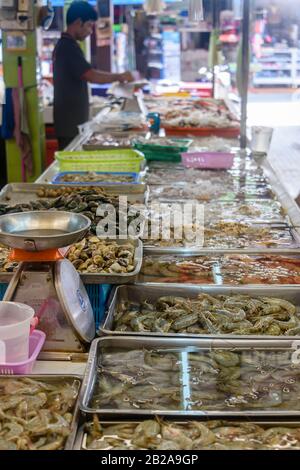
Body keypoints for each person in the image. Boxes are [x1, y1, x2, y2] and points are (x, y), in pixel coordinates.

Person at [53, 1, 134, 150]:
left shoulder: (68, 45)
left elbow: (88, 72)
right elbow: (91, 75)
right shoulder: (67, 47)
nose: (91, 31)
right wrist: (119, 76)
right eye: (89, 25)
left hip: (72, 122)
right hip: (69, 124)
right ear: (78, 22)